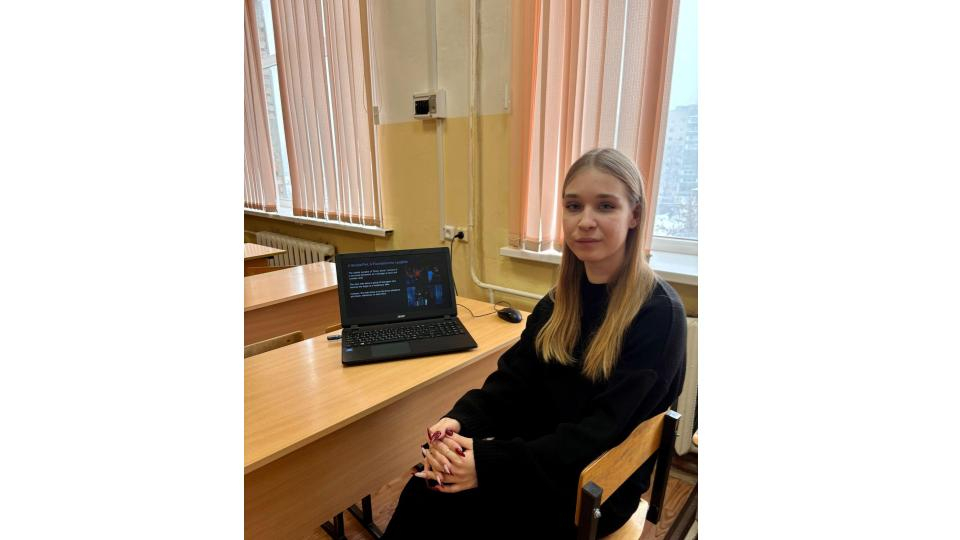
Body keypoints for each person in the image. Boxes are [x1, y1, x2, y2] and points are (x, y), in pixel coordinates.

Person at [381, 148, 687, 539]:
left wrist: (487, 465)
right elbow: (512, 383)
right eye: (573, 206)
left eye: (605, 206)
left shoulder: (659, 315)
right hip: (542, 457)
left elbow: (601, 434)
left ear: (635, 215)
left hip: (593, 488)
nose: (585, 221)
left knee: (438, 502)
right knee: (426, 489)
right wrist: (459, 421)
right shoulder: (558, 302)